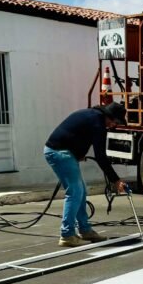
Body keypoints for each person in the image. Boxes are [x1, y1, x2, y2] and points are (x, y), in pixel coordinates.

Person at [45, 102, 129, 247]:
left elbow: (77, 135)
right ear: (109, 117)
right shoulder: (98, 123)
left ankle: (85, 230)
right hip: (59, 152)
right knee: (75, 192)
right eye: (115, 122)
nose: (114, 126)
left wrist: (78, 154)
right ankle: (67, 235)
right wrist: (116, 180)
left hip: (63, 152)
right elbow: (101, 156)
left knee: (81, 191)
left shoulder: (93, 116)